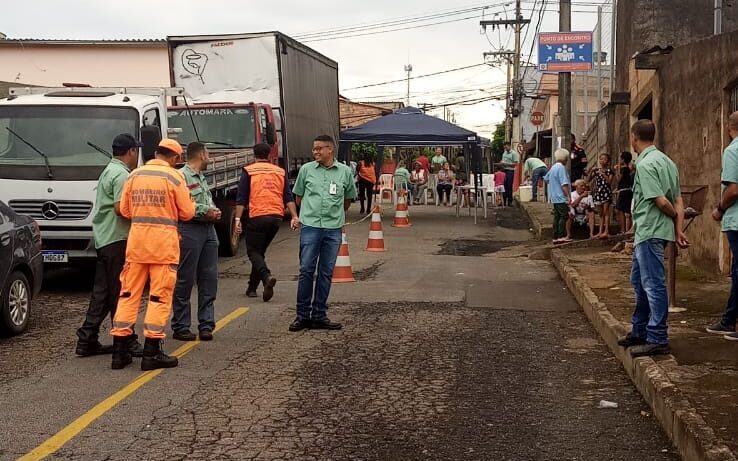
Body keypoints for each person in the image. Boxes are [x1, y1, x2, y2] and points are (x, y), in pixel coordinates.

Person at [110, 139, 196, 371]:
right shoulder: (175, 177)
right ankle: (151, 353)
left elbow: (126, 210)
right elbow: (188, 213)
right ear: (176, 159)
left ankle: (119, 353)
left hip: (137, 246)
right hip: (163, 248)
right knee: (159, 298)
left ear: (155, 153)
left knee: (128, 295)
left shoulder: (134, 175)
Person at [617, 119, 688, 358]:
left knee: (652, 284)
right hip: (652, 232)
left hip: (650, 230)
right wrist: (678, 229)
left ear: (634, 138)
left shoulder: (645, 165)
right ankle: (640, 330)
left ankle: (657, 337)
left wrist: (671, 217)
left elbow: (663, 201)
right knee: (638, 281)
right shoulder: (667, 162)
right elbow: (679, 200)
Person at [75, 134, 143, 358]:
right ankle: (127, 341)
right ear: (131, 151)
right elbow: (120, 208)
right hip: (117, 239)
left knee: (102, 293)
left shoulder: (109, 169)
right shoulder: (122, 174)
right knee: (121, 293)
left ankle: (87, 340)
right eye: (136, 150)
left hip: (105, 238)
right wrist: (143, 215)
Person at [290, 135, 357, 332]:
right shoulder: (306, 170)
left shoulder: (344, 172)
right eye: (314, 149)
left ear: (330, 150)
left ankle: (319, 315)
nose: (316, 152)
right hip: (310, 226)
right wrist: (304, 216)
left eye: (319, 149)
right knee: (306, 271)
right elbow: (298, 196)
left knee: (326, 273)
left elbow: (348, 199)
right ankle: (302, 316)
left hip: (333, 229)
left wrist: (335, 217)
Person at [170, 142, 221, 342]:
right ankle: (181, 325)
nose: (209, 157)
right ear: (201, 154)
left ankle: (206, 324)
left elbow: (207, 200)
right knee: (185, 279)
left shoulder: (200, 177)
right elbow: (184, 204)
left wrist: (214, 210)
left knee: (209, 278)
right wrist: (204, 210)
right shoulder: (181, 176)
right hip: (189, 228)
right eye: (208, 153)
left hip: (208, 229)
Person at [235, 143, 298, 301]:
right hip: (276, 218)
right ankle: (252, 288)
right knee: (259, 252)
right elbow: (288, 196)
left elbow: (241, 198)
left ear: (254, 155)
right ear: (269, 155)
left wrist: (237, 219)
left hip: (258, 217)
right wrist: (294, 216)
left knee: (253, 252)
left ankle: (266, 276)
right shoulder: (279, 171)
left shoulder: (249, 171)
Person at [708, 111, 738, 338]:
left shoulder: (732, 150)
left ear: (729, 129)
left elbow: (733, 189)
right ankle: (728, 319)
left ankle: (729, 321)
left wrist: (719, 208)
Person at [544, 148, 572, 244]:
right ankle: (561, 236)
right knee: (564, 216)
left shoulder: (553, 167)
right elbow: (564, 184)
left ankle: (555, 236)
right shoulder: (561, 168)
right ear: (564, 158)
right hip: (561, 197)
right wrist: (568, 196)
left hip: (554, 196)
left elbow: (546, 179)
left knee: (557, 216)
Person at [588, 153, 615, 239]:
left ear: (608, 161)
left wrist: (603, 174)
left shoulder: (609, 171)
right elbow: (588, 180)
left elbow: (609, 182)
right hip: (598, 193)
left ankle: (606, 230)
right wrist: (592, 171)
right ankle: (600, 231)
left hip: (606, 192)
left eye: (604, 159)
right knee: (600, 214)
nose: (602, 161)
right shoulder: (596, 171)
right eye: (600, 159)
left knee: (606, 212)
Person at [615, 151, 634, 234]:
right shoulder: (629, 169)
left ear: (623, 159)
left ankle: (624, 230)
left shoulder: (624, 169)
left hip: (624, 192)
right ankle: (626, 230)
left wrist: (616, 170)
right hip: (628, 191)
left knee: (622, 211)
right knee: (626, 211)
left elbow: (618, 179)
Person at [500, 142, 519, 206]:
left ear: (509, 146)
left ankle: (510, 201)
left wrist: (506, 164)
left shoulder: (513, 153)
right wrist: (501, 163)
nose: (505, 149)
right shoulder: (504, 153)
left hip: (510, 171)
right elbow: (503, 161)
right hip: (504, 170)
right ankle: (504, 201)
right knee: (504, 186)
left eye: (506, 147)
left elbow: (515, 164)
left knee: (509, 186)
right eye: (504, 148)